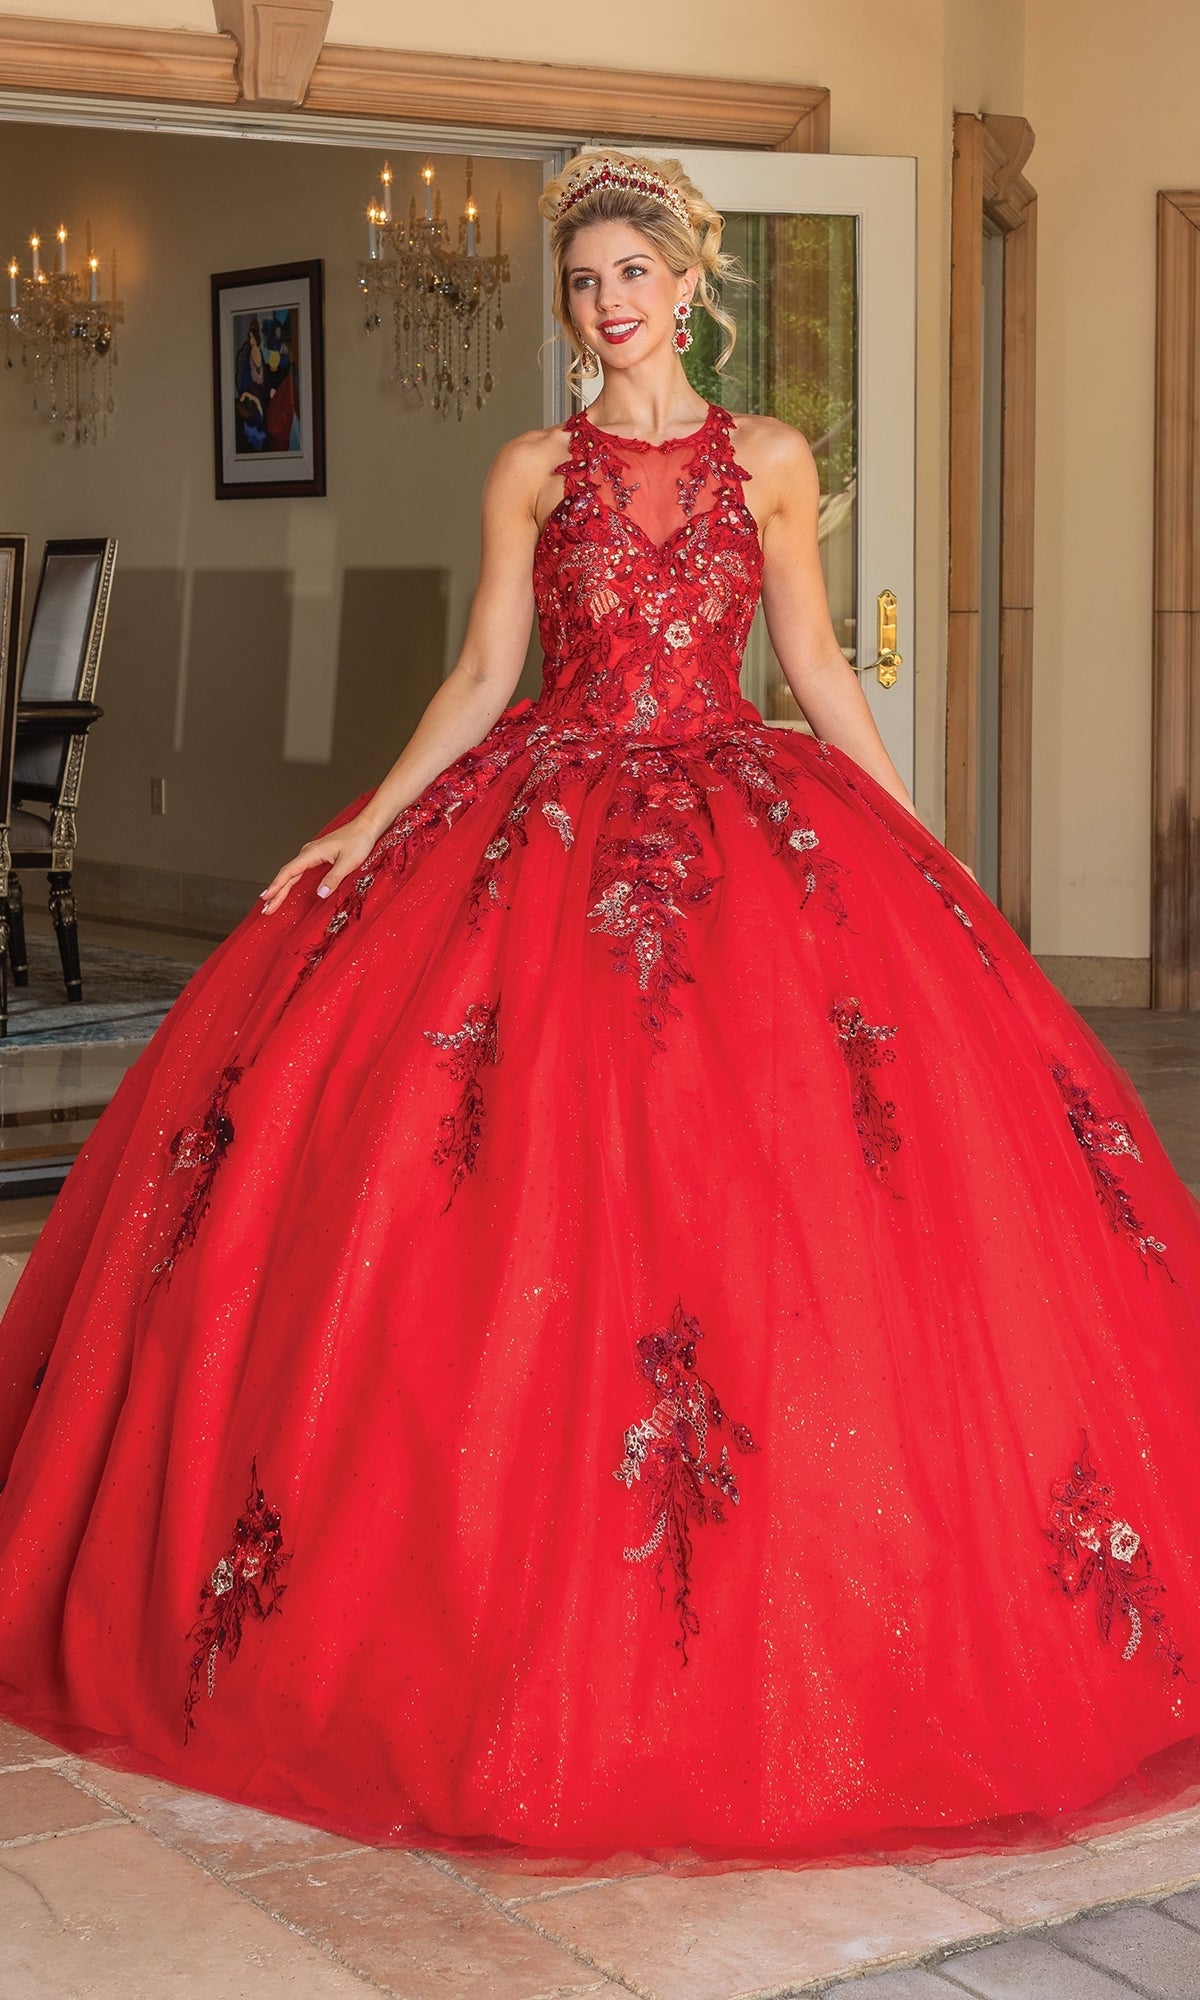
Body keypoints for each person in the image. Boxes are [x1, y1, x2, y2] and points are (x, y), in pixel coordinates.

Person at [2, 150, 1200, 1873]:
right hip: (548, 827)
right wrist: (366, 825)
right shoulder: (531, 469)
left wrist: (916, 840)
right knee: (493, 1180)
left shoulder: (771, 460)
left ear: (691, 284)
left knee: (791, 1179)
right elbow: (486, 672)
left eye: (633, 271)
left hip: (737, 812)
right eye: (583, 282)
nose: (608, 302)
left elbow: (810, 663)